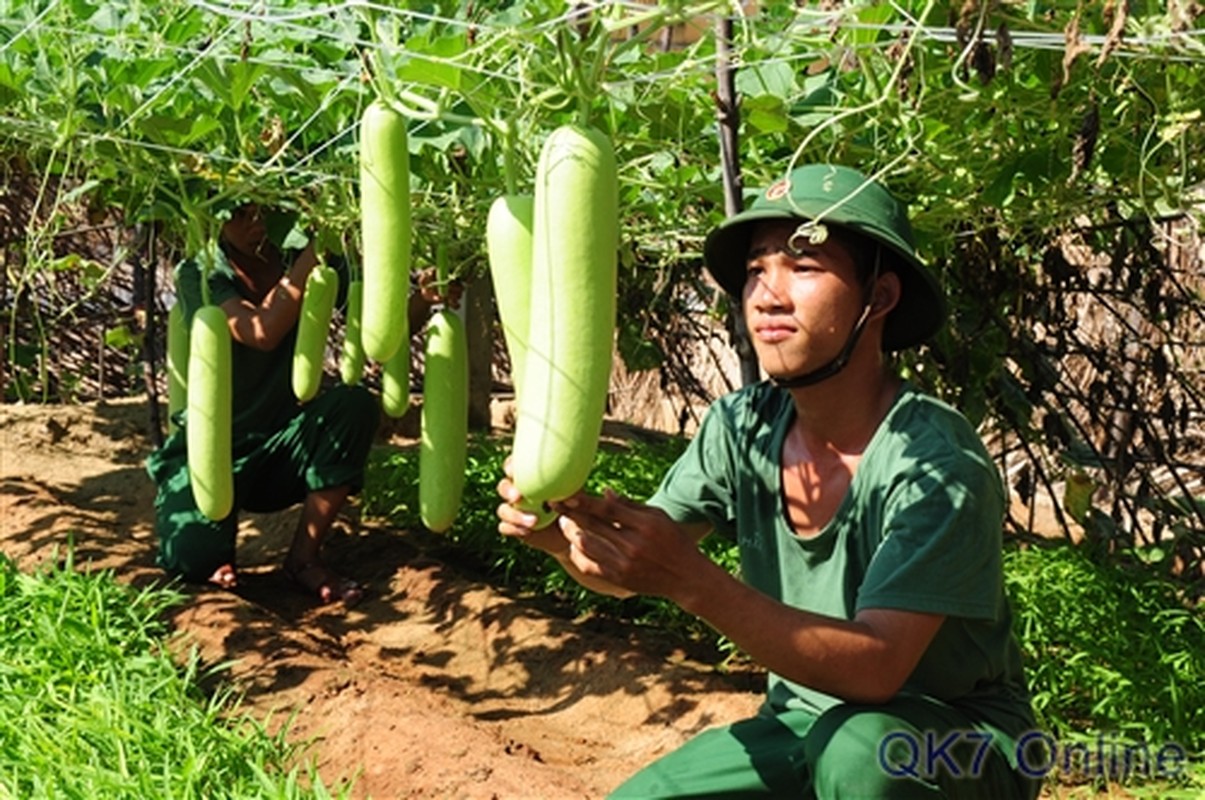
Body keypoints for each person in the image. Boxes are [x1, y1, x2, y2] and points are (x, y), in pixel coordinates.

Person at [497, 164, 1042, 798]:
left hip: (956, 741)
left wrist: (690, 580)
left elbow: (879, 671)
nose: (767, 294)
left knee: (862, 759)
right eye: (757, 268)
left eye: (804, 267)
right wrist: (562, 542)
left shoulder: (935, 465)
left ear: (881, 297)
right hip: (801, 724)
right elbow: (631, 571)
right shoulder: (742, 425)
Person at [147, 202, 457, 606]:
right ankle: (211, 546)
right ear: (214, 214)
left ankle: (303, 560)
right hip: (208, 452)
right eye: (239, 212)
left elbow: (381, 336)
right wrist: (313, 258)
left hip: (283, 446)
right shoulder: (200, 273)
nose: (255, 221)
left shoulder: (306, 258)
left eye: (263, 209)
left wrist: (424, 298)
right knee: (191, 559)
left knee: (354, 405)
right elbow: (261, 331)